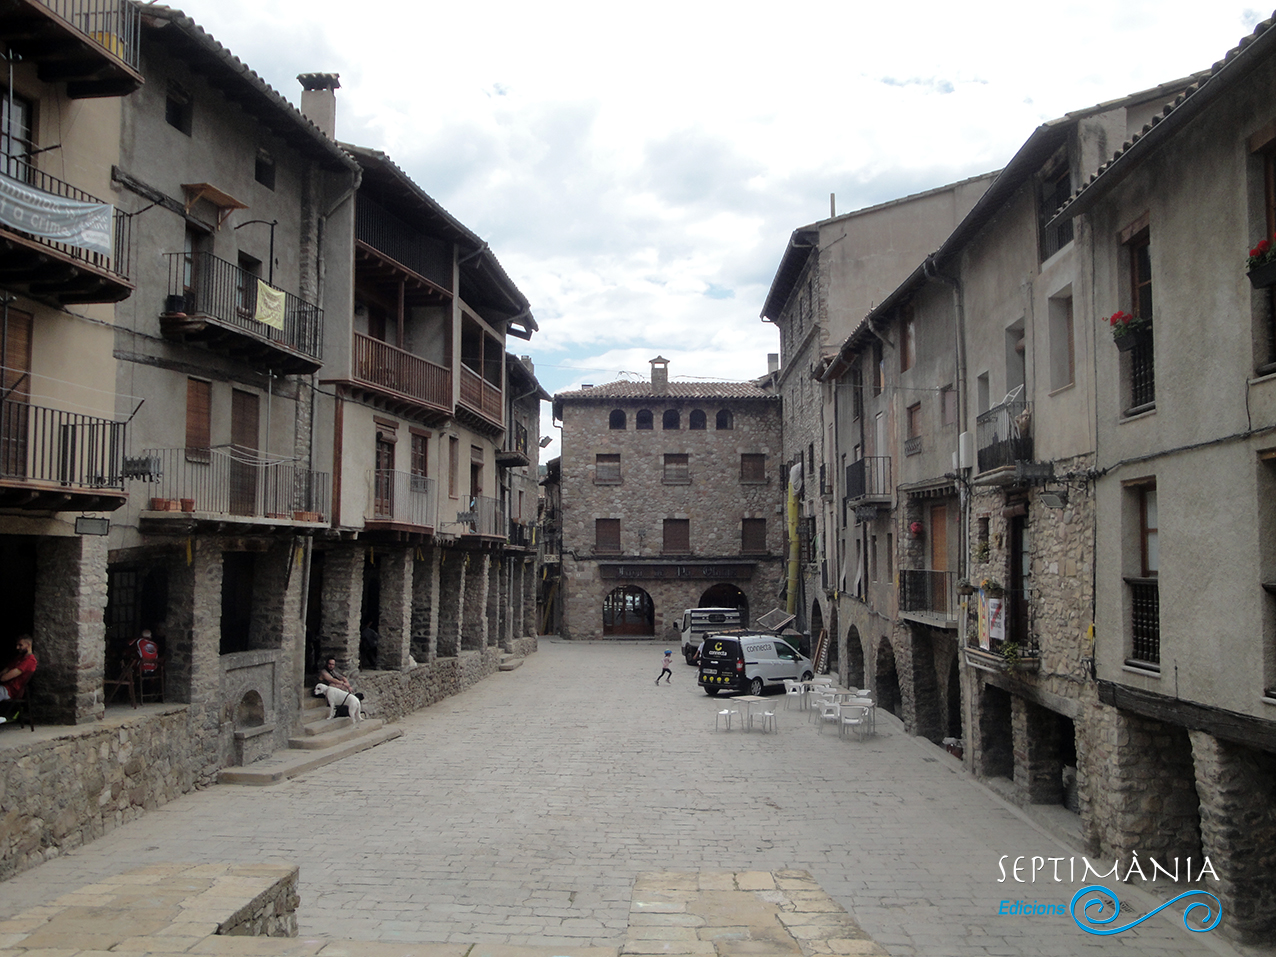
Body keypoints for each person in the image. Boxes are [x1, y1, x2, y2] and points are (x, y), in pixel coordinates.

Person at [0, 635, 36, 721]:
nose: (17, 647)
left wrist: (3, 675)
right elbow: (4, 671)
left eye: (20, 645)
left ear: (28, 645)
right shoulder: (20, 658)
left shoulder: (29, 661)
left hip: (11, 690)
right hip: (5, 687)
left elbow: (4, 677)